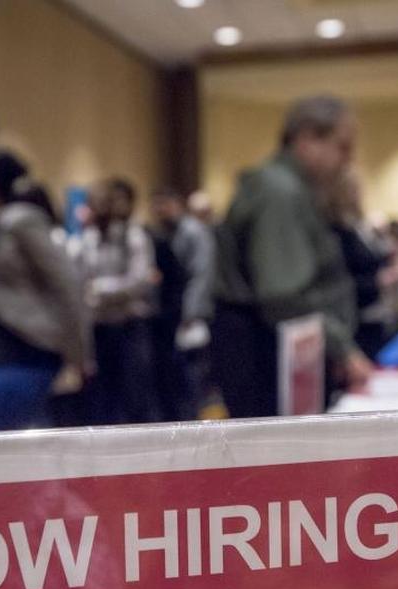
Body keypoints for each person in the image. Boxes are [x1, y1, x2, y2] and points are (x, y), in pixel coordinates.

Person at [212, 95, 371, 418]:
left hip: (269, 349)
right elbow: (283, 295)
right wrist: (343, 348)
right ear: (307, 138)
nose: (348, 160)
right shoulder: (280, 192)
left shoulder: (287, 187)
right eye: (342, 147)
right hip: (264, 356)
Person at [0, 149, 90, 430]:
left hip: (22, 349)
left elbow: (65, 282)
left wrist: (79, 352)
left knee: (15, 442)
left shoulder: (21, 220)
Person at [71, 178, 159, 424]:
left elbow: (139, 279)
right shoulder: (84, 240)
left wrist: (99, 289)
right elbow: (76, 281)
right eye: (95, 204)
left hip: (130, 326)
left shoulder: (134, 236)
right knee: (100, 400)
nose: (100, 210)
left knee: (136, 398)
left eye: (105, 204)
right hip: (98, 328)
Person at [149, 187, 214, 421]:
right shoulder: (166, 233)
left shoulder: (192, 232)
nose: (159, 211)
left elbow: (201, 274)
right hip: (170, 311)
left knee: (192, 372)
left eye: (163, 205)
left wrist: (191, 312)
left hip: (187, 312)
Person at [325, 173, 392, 357]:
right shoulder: (336, 233)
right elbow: (342, 281)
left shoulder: (357, 228)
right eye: (353, 190)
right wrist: (379, 282)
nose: (358, 195)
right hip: (356, 321)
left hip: (373, 315)